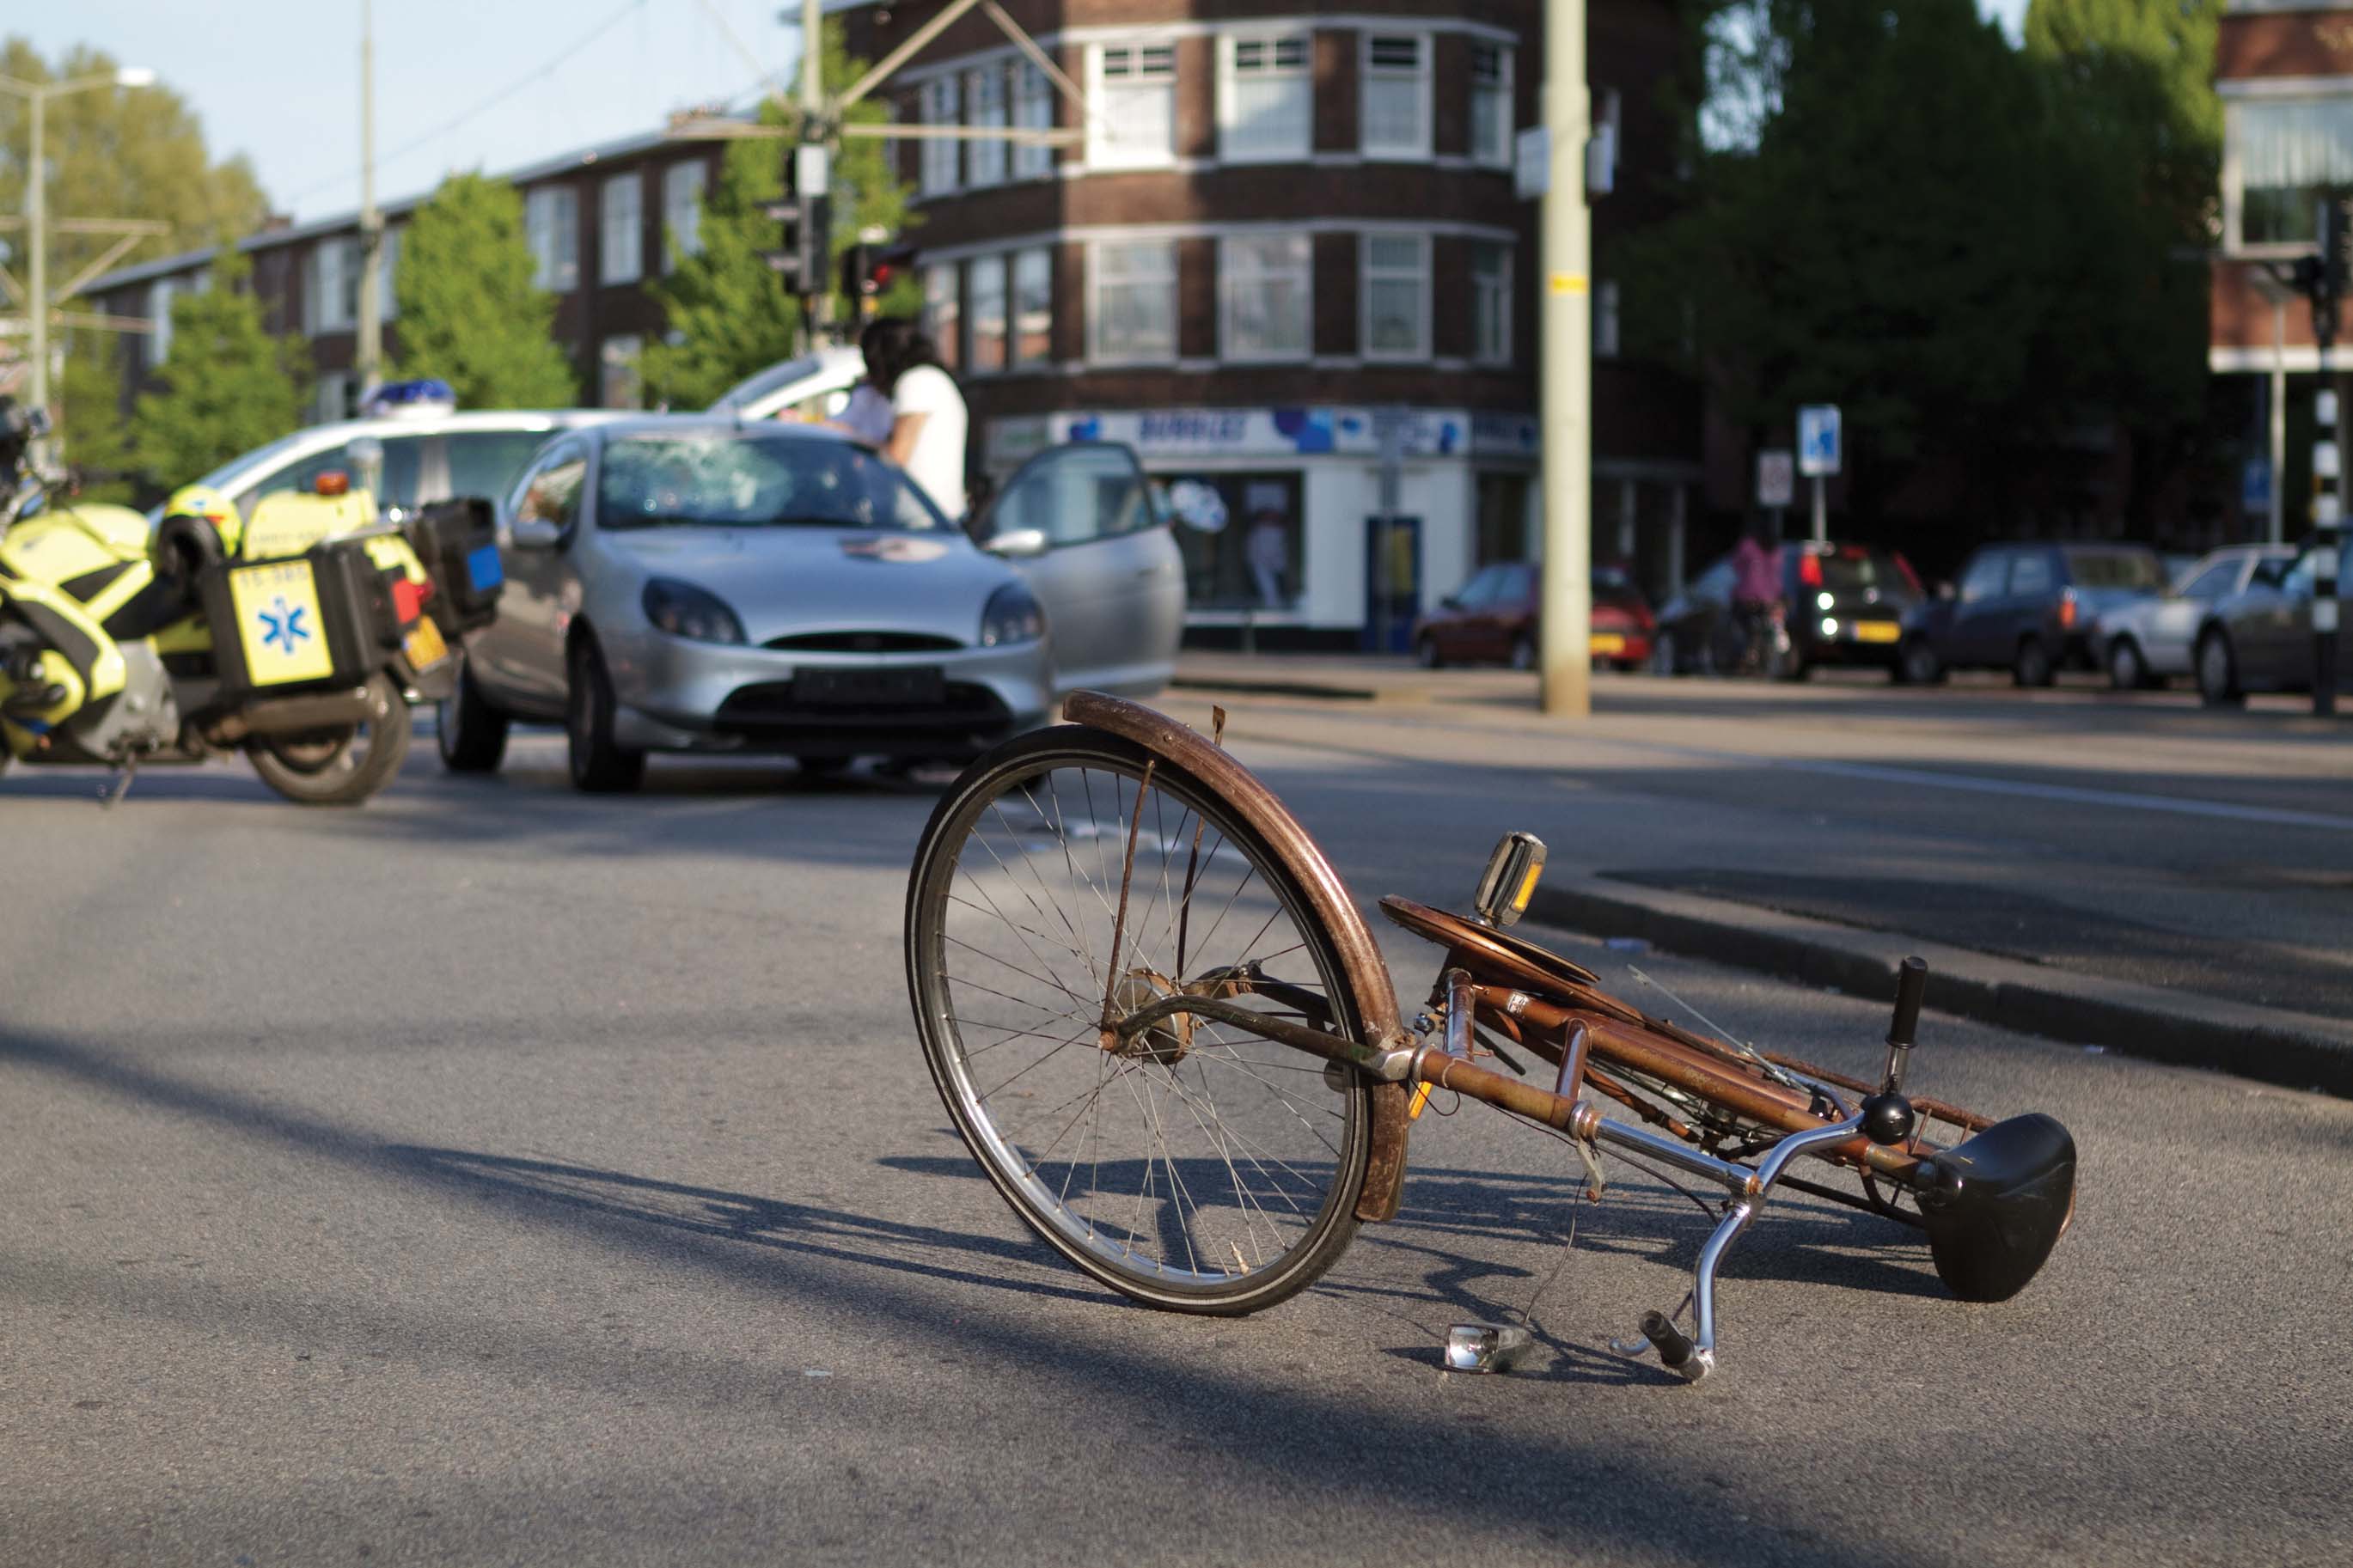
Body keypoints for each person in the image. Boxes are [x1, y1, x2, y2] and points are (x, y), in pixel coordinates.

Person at [864, 316, 968, 522]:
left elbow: (896, 456)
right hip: (939, 517)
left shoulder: (916, 383)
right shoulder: (931, 379)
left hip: (923, 522)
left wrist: (852, 444)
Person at [1728, 520, 1783, 671]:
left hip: (1747, 598)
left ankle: (1745, 655)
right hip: (1770, 599)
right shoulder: (1776, 551)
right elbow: (1777, 576)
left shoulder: (1748, 546)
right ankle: (1761, 655)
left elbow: (1734, 566)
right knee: (1767, 626)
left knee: (1738, 627)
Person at [1246, 509, 1289, 607]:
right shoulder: (1257, 532)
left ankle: (1274, 604)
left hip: (1274, 561)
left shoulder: (1279, 532)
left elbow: (1280, 549)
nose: (1270, 517)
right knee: (1267, 587)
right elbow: (1253, 548)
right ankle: (1271, 604)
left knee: (1276, 587)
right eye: (1267, 515)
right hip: (1260, 561)